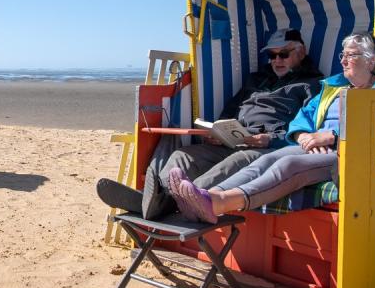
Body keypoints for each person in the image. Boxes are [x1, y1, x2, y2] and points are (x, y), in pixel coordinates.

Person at [97, 28, 323, 220]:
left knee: (234, 163)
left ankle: (167, 202)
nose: (276, 61)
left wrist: (271, 139)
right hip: (234, 138)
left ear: (300, 52)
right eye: (272, 56)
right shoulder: (257, 79)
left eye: (283, 54)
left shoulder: (311, 85)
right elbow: (231, 108)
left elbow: (307, 126)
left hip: (264, 146)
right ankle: (159, 201)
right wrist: (218, 130)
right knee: (182, 156)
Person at [170, 32, 375, 224]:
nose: (343, 60)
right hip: (313, 146)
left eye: (350, 55)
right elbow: (303, 116)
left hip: (345, 153)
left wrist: (332, 136)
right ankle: (207, 197)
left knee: (288, 163)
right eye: (342, 55)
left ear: (370, 60)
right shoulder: (334, 89)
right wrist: (303, 134)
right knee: (267, 159)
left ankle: (220, 203)